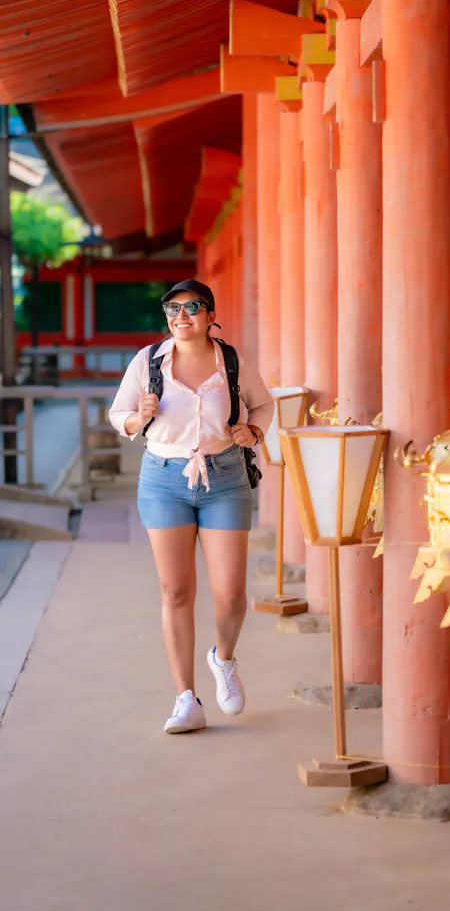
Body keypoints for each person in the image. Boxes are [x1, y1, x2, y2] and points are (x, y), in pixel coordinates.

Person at [109, 279, 273, 734]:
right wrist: (139, 417)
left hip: (224, 478)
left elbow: (262, 406)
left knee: (231, 593)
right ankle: (186, 699)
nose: (181, 316)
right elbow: (117, 415)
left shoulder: (233, 361)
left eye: (192, 307)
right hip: (163, 479)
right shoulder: (148, 362)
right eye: (172, 308)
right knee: (176, 591)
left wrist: (253, 432)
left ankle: (223, 659)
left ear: (210, 314)